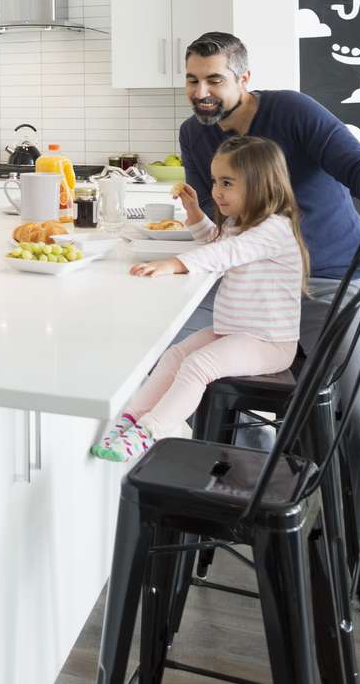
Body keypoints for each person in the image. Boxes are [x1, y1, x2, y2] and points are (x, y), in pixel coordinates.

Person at [176, 31, 360, 602]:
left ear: (243, 78)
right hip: (256, 285)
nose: (202, 92)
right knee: (175, 362)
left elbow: (353, 161)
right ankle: (259, 495)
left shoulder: (291, 111)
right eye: (193, 79)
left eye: (214, 79)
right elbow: (226, 223)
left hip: (331, 282)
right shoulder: (195, 134)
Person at [94, 136, 307, 462]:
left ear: (259, 185)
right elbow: (215, 240)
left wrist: (173, 264)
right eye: (214, 181)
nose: (217, 191)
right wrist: (193, 211)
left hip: (269, 342)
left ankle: (152, 430)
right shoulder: (241, 223)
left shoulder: (273, 229)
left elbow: (224, 253)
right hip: (236, 331)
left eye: (227, 183)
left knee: (197, 365)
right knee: (175, 355)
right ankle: (132, 417)